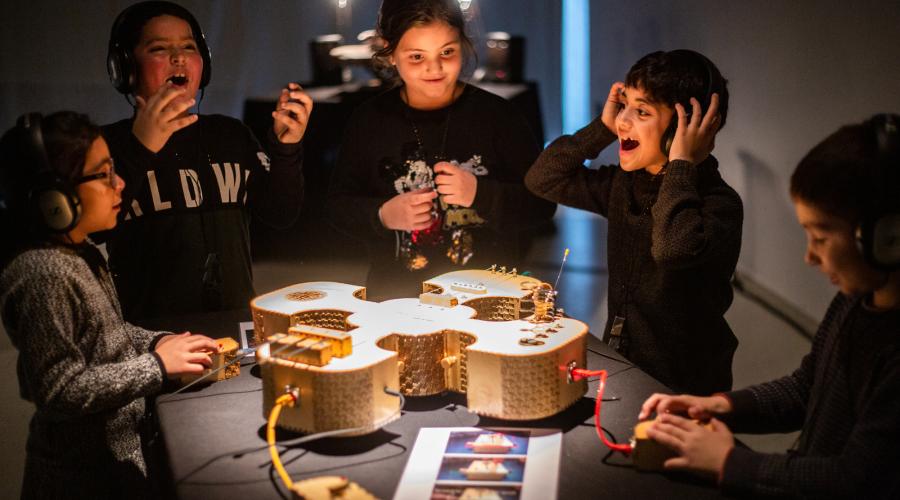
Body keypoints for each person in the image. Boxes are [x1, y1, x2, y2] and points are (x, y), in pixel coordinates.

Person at [639, 114, 900, 498]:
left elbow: (854, 480)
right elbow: (805, 389)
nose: (809, 257)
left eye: (821, 237)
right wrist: (716, 405)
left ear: (887, 238)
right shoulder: (854, 301)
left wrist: (730, 462)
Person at [0, 111, 220, 499]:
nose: (119, 184)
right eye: (103, 175)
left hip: (114, 465)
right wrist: (156, 367)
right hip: (81, 481)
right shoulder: (44, 273)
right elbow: (59, 390)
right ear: (56, 201)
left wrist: (158, 343)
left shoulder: (78, 252)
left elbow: (106, 333)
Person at [525, 50, 742, 395]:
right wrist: (602, 128)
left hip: (686, 385)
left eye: (641, 111)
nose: (624, 121)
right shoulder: (627, 184)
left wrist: (680, 163)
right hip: (624, 365)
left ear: (687, 127)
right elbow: (543, 178)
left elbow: (672, 249)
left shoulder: (720, 205)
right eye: (624, 105)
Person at [327, 0, 554, 301]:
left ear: (463, 43)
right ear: (391, 53)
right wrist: (382, 214)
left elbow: (542, 205)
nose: (434, 68)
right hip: (397, 299)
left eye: (447, 52)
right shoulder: (370, 120)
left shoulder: (499, 117)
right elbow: (336, 207)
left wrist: (480, 194)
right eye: (417, 56)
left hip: (488, 300)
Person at [101, 1, 312, 320]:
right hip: (152, 337)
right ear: (126, 68)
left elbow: (281, 213)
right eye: (159, 48)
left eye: (188, 46)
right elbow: (94, 231)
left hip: (234, 323)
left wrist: (285, 148)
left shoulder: (229, 134)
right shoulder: (107, 145)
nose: (178, 57)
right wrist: (140, 148)